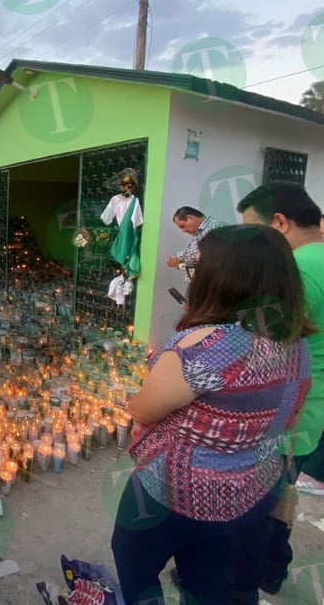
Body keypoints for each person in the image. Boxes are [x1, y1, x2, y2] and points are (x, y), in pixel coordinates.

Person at [111, 224, 313, 605]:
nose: (193, 275)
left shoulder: (206, 346)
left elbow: (144, 408)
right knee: (205, 579)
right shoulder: (294, 343)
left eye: (199, 267)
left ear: (222, 277)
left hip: (176, 491)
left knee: (135, 563)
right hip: (248, 491)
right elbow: (288, 413)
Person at [231, 181, 324, 598]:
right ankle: (272, 570)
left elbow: (261, 348)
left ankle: (243, 581)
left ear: (280, 223)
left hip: (287, 414)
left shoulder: (299, 271)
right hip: (312, 412)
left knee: (256, 507)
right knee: (280, 497)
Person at [166, 206, 226, 282]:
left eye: (182, 226)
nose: (183, 231)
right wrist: (176, 259)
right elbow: (190, 255)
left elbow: (207, 264)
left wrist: (179, 265)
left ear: (190, 218)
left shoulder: (215, 228)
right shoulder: (199, 234)